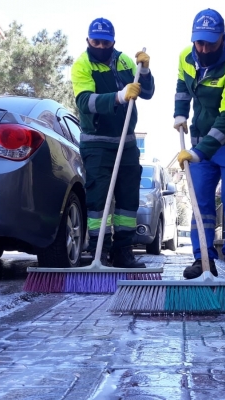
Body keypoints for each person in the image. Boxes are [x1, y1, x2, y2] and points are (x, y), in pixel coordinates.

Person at [174, 9, 225, 280]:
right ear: (193, 39)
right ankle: (203, 258)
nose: (204, 47)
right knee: (201, 202)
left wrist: (199, 152)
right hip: (200, 136)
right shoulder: (186, 57)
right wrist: (180, 112)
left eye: (210, 41)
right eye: (199, 42)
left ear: (222, 38)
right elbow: (182, 86)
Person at [71, 17, 155, 268]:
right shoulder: (82, 65)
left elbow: (147, 93)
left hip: (126, 143)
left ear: (112, 42)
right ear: (88, 40)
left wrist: (145, 71)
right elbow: (85, 101)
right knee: (98, 202)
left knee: (128, 200)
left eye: (105, 42)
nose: (100, 46)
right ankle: (100, 251)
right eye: (95, 41)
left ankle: (123, 251)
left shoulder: (125, 61)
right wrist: (119, 96)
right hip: (96, 144)